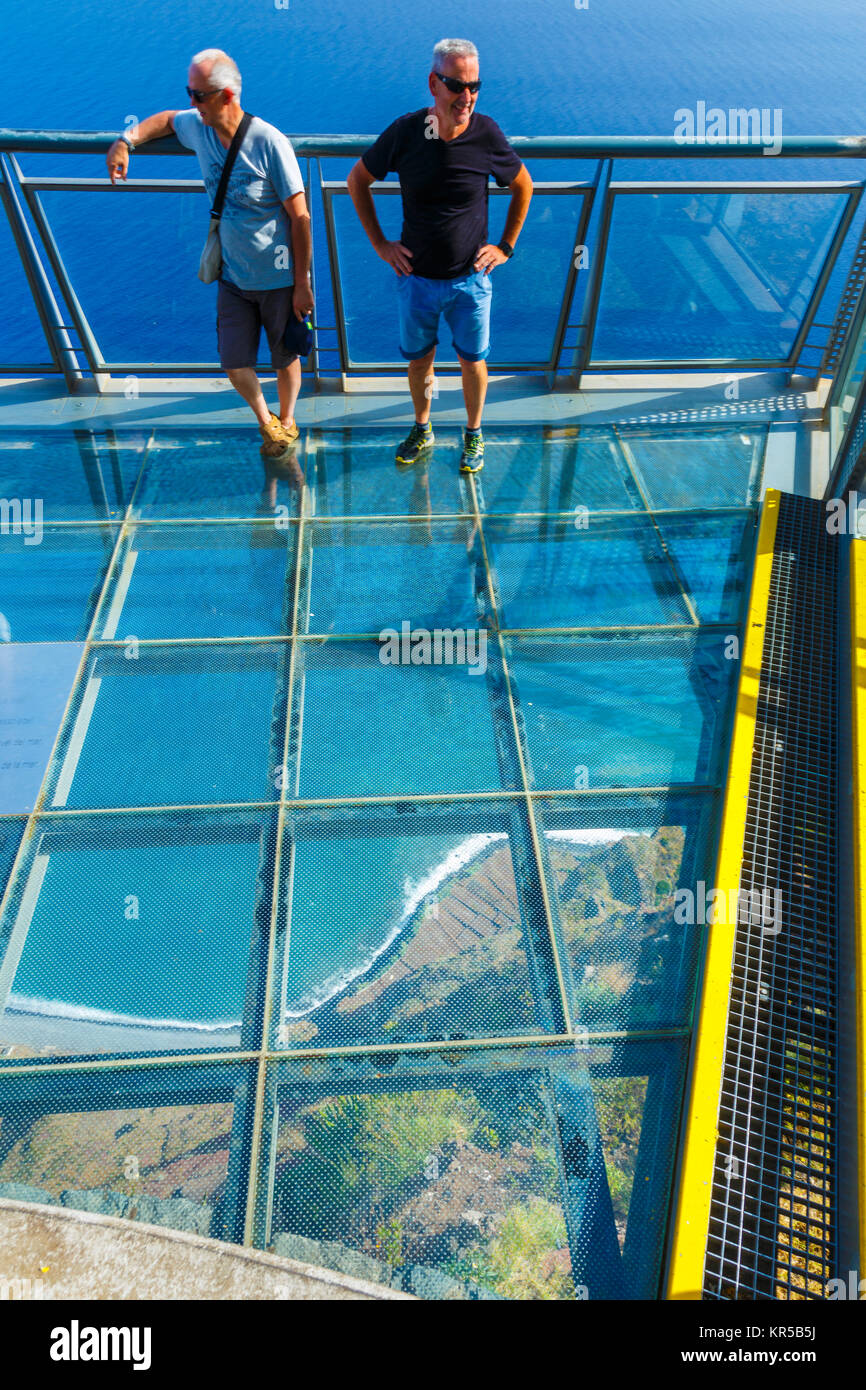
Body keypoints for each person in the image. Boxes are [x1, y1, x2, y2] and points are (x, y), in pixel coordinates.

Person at [105, 49, 314, 459]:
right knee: (234, 361)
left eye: (199, 95)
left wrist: (302, 284)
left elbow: (301, 217)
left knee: (285, 356)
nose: (192, 103)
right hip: (233, 276)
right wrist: (125, 141)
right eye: (191, 93)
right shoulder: (198, 126)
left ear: (227, 96)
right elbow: (166, 120)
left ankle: (287, 421)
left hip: (279, 275)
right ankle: (265, 420)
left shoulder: (269, 142)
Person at [347, 38, 532, 474]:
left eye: (474, 86)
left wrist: (505, 246)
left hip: (471, 279)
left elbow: (523, 184)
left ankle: (473, 433)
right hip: (417, 280)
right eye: (456, 85)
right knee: (419, 362)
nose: (466, 96)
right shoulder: (407, 132)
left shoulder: (487, 134)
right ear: (434, 83)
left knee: (474, 361)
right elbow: (357, 180)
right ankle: (423, 426)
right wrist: (380, 244)